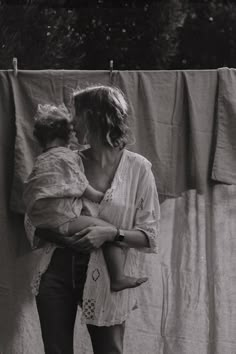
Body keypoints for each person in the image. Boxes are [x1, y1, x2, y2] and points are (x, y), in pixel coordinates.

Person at [26, 85, 160, 354]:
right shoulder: (63, 160)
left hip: (109, 277)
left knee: (109, 350)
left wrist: (110, 234)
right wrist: (65, 237)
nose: (72, 123)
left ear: (97, 116)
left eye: (77, 114)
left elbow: (149, 235)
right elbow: (35, 217)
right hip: (57, 270)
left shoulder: (138, 169)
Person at [24, 103, 147, 292]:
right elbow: (81, 185)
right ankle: (118, 277)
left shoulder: (42, 160)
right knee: (109, 230)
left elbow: (38, 189)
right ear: (66, 135)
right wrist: (101, 197)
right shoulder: (66, 157)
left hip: (43, 221)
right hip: (63, 219)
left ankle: (117, 276)